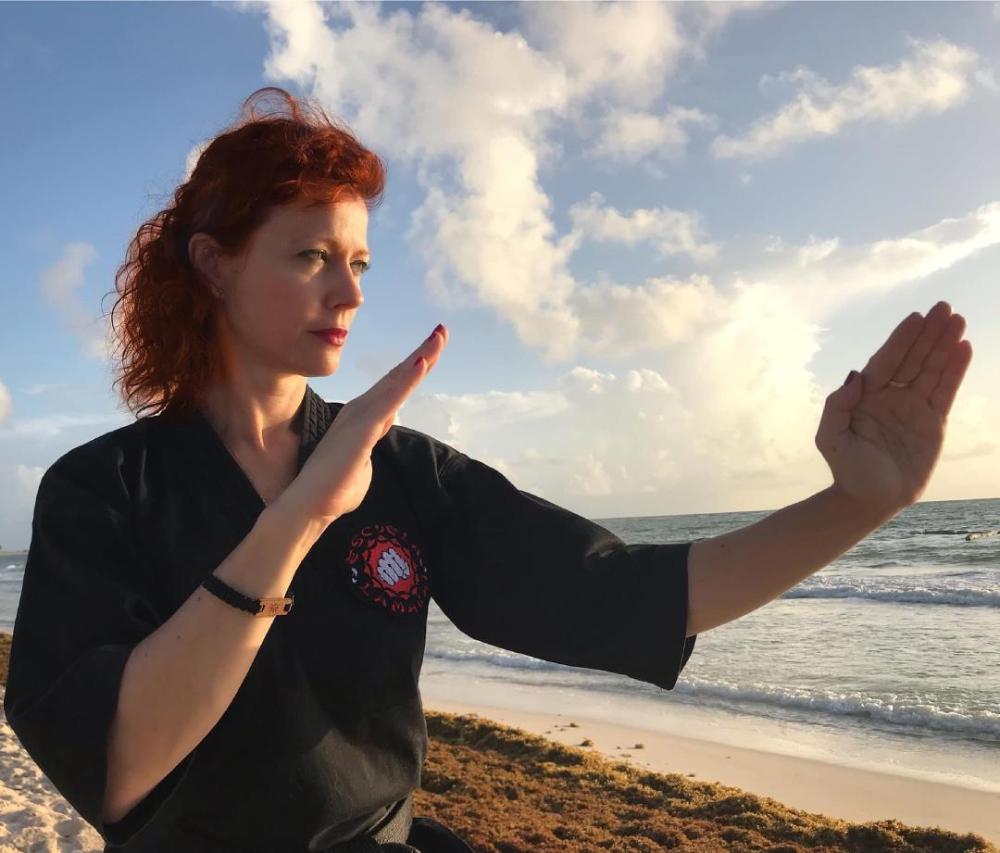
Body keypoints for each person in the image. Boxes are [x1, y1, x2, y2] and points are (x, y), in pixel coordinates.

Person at [1, 85, 973, 852]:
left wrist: (856, 504)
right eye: (309, 256)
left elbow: (624, 591)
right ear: (213, 265)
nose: (348, 291)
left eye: (361, 262)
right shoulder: (103, 490)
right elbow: (119, 769)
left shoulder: (405, 471)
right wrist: (299, 518)